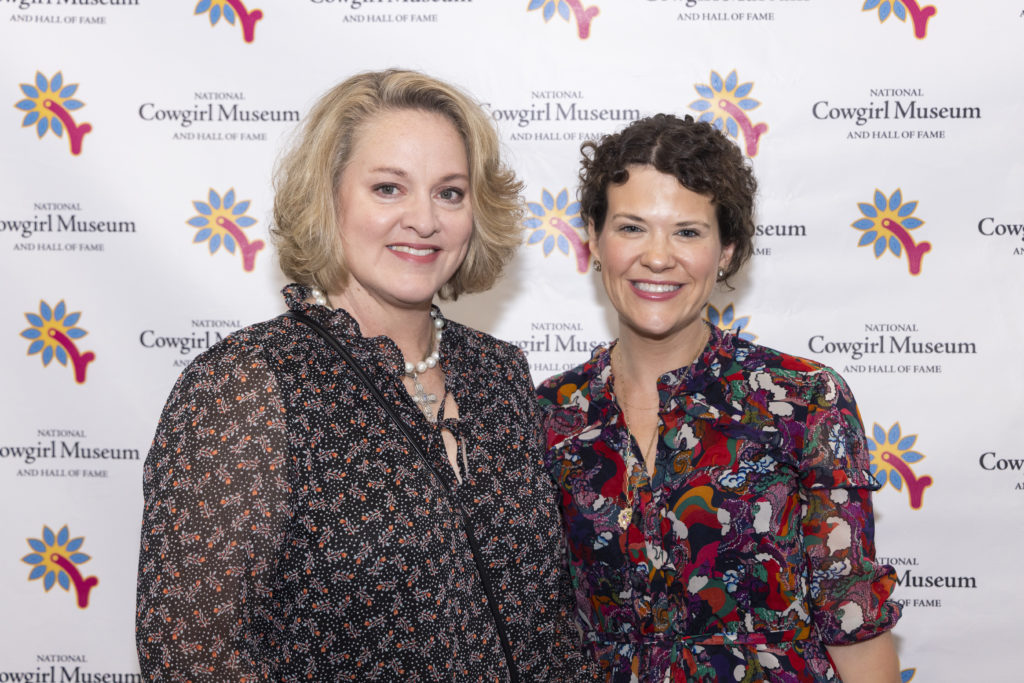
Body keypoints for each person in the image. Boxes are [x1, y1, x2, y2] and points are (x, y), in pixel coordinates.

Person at [136, 70, 594, 682]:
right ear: (328, 199)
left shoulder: (498, 374)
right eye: (388, 188)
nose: (424, 220)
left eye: (450, 193)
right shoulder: (246, 387)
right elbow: (192, 659)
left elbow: (550, 627)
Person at [536, 114, 901, 682]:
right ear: (594, 238)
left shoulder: (803, 400)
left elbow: (851, 618)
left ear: (727, 249)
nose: (658, 257)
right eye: (632, 227)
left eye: (688, 231)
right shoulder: (550, 414)